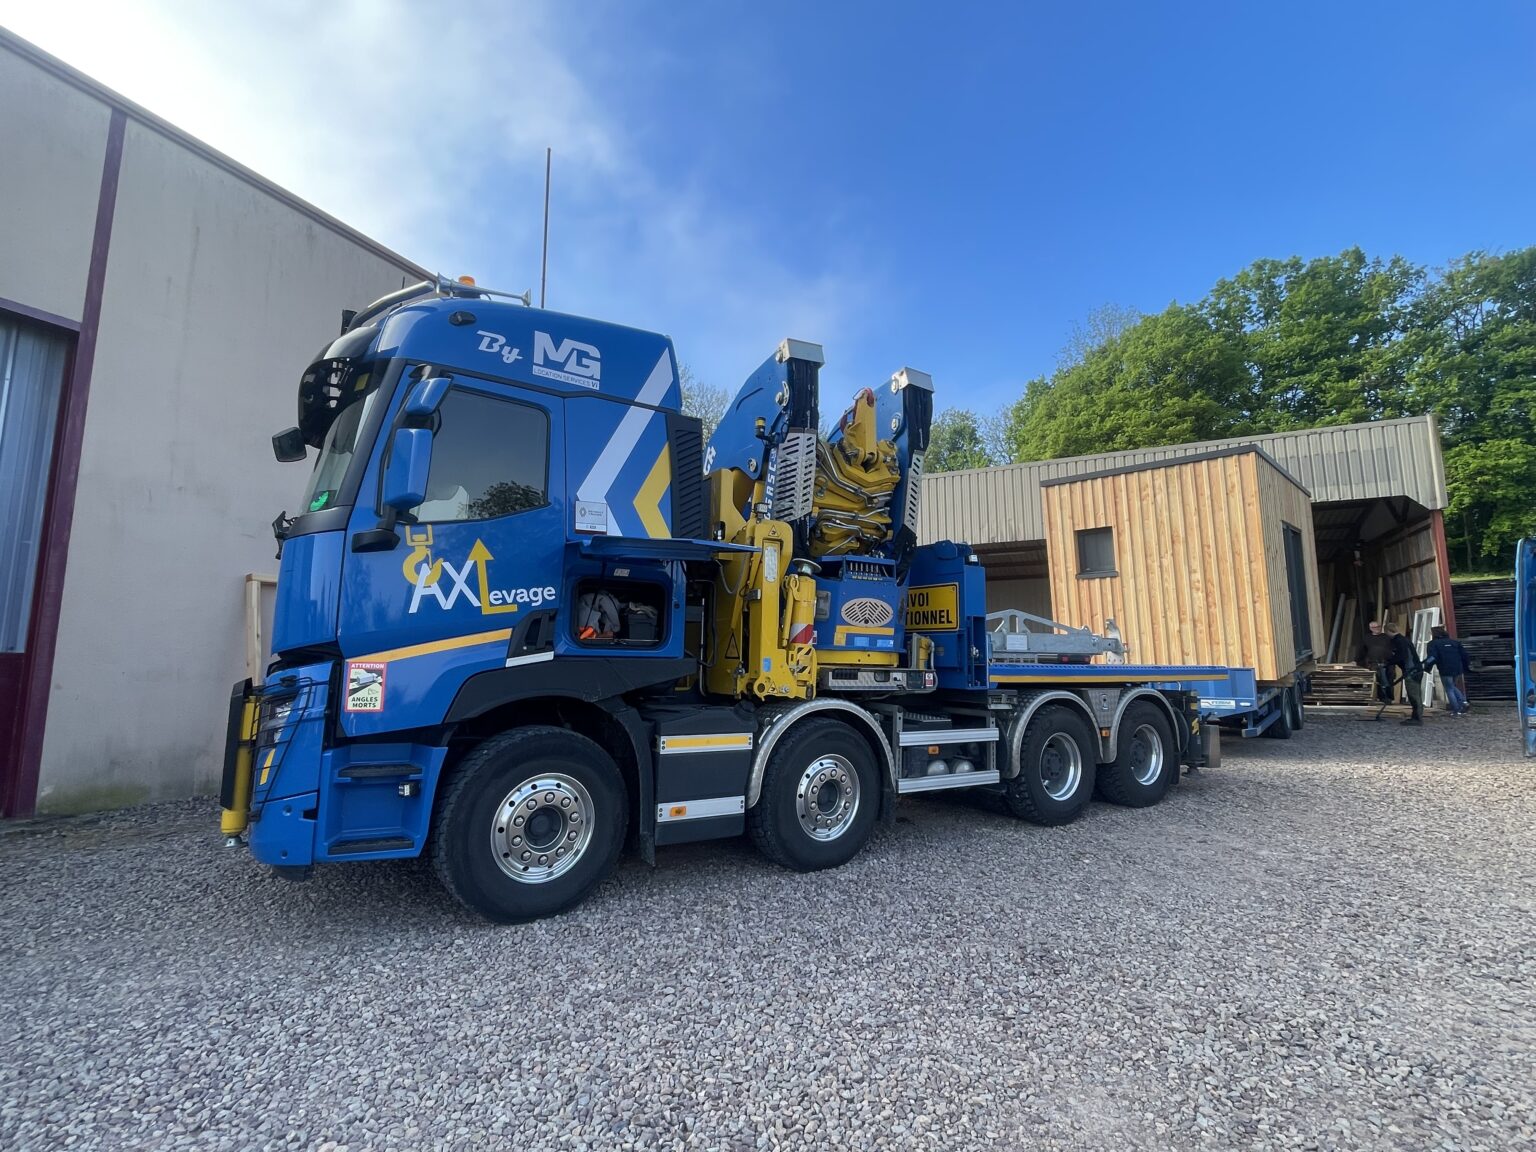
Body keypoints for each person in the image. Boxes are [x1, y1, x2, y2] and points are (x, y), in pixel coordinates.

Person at [1421, 625, 1471, 715]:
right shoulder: (1454, 642)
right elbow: (1464, 655)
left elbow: (1432, 657)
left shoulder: (1433, 644)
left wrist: (1427, 667)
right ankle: (1463, 702)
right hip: (1457, 668)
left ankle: (1456, 710)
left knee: (1449, 688)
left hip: (1445, 668)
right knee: (1452, 686)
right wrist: (1466, 667)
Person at [1383, 621, 1423, 725]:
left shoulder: (1399, 641)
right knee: (1415, 694)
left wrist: (1389, 662)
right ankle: (1416, 717)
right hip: (1415, 669)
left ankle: (1417, 718)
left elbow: (1402, 656)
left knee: (1414, 695)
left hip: (1412, 670)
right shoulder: (1404, 639)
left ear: (1388, 631)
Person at [1355, 620, 1396, 704]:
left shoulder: (1387, 637)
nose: (1377, 628)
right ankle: (1380, 698)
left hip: (1388, 663)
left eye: (1378, 627)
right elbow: (1361, 651)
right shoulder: (1366, 638)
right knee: (1378, 681)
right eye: (1375, 627)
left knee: (1389, 680)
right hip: (1374, 663)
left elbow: (1395, 648)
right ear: (1371, 628)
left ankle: (1388, 698)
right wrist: (1356, 660)